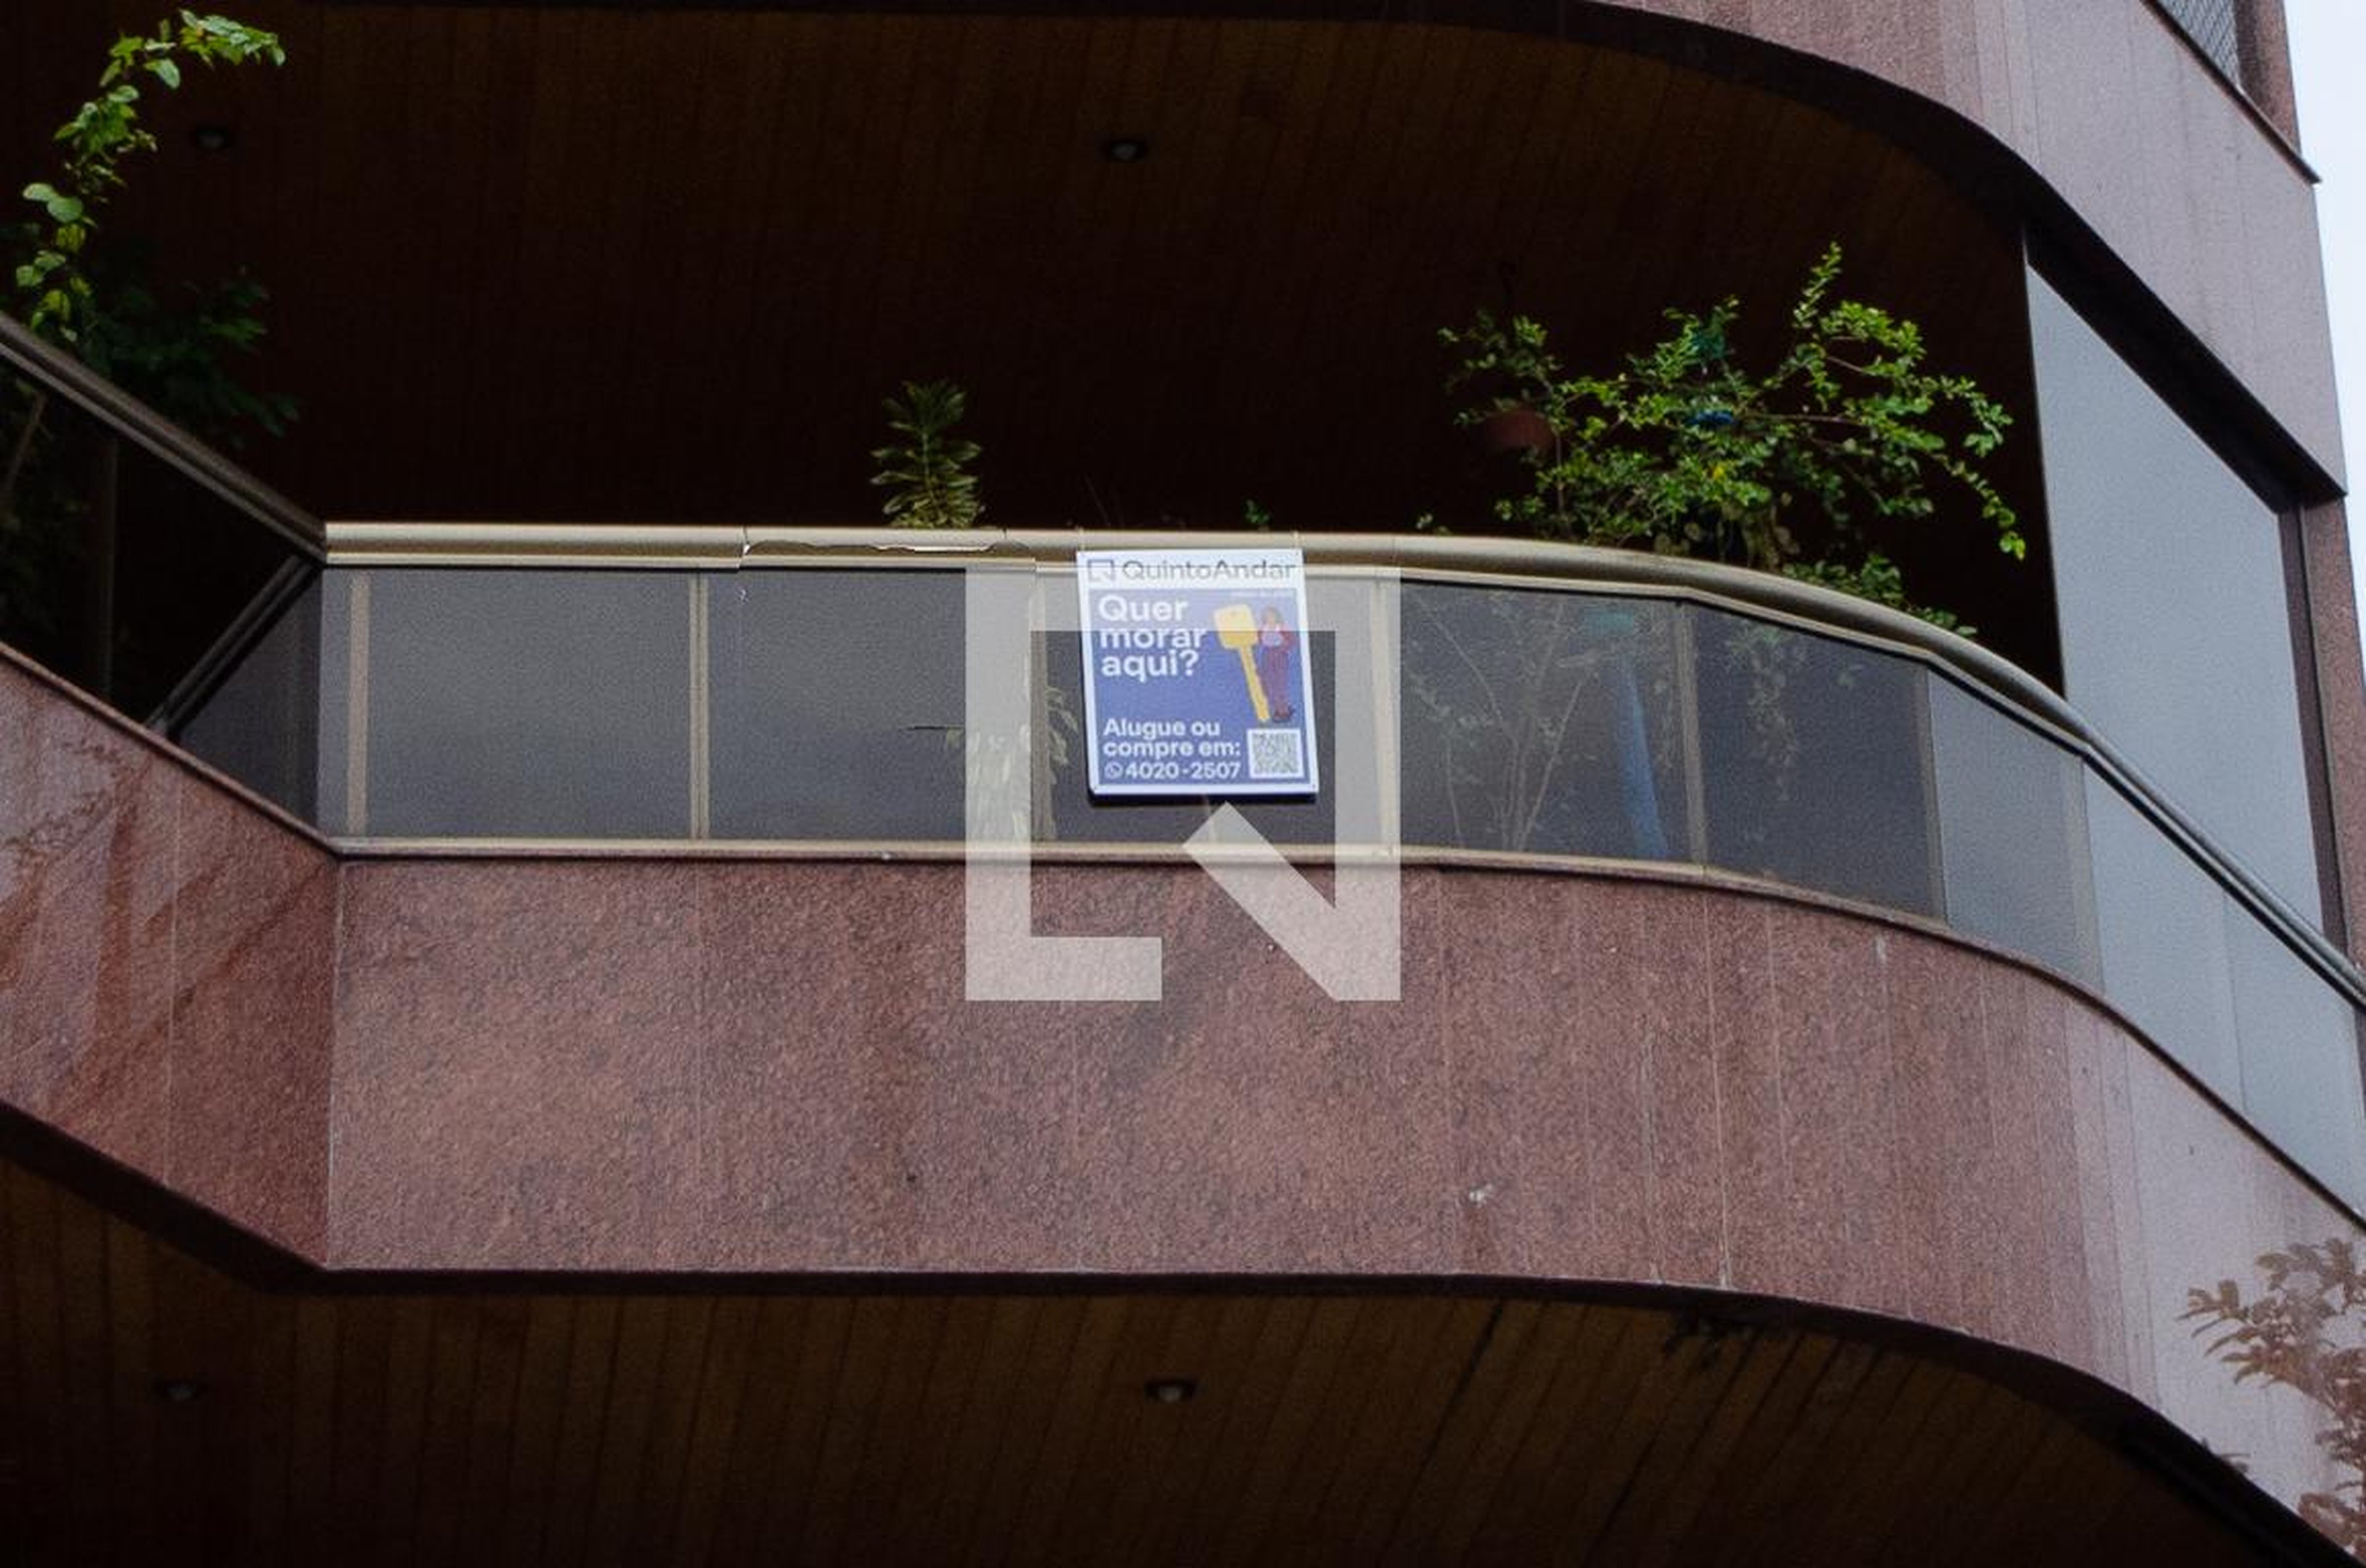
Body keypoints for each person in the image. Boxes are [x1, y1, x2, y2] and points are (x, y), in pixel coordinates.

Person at [1254, 606, 1296, 723]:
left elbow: (1292, 641)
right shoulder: (1262, 630)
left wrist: (1283, 647)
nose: (1270, 619)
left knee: (1278, 687)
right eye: (1267, 617)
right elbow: (1257, 642)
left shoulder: (1282, 629)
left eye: (1272, 616)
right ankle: (1280, 708)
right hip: (1267, 657)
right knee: (1266, 687)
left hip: (1280, 659)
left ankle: (1283, 712)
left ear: (1277, 617)